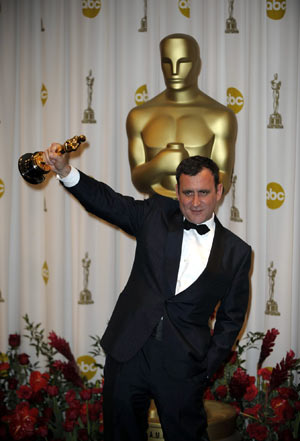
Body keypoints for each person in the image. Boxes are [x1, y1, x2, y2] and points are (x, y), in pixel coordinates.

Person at [43, 148, 251, 441]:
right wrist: (66, 172)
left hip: (183, 364)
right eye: (187, 193)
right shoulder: (155, 214)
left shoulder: (237, 252)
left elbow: (232, 319)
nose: (194, 202)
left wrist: (206, 368)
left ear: (218, 191)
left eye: (203, 192)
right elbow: (108, 203)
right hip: (129, 353)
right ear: (177, 192)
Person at [127, 33, 237, 198]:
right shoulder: (139, 116)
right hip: (153, 215)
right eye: (167, 62)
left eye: (183, 62)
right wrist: (159, 165)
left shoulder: (220, 117)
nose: (175, 71)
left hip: (199, 215)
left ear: (197, 65)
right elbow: (138, 180)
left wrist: (191, 175)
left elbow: (223, 180)